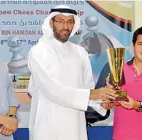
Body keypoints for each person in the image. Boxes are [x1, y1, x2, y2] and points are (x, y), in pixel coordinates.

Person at [27, 5, 117, 140]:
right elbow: (52, 89)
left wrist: (101, 103)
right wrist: (94, 94)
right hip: (48, 124)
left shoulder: (80, 52)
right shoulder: (38, 52)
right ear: (51, 23)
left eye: (70, 22)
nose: (66, 26)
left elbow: (87, 87)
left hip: (75, 125)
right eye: (61, 21)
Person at [99, 26, 142, 140]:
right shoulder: (119, 69)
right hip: (121, 136)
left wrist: (137, 105)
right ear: (133, 46)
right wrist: (108, 102)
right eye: (140, 44)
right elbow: (114, 99)